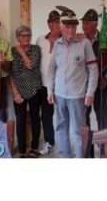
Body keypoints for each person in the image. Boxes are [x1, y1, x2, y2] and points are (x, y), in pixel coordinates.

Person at [47, 6, 98, 158]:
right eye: (67, 26)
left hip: (78, 96)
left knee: (79, 130)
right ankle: (65, 157)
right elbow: (52, 69)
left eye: (73, 26)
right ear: (61, 27)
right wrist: (50, 90)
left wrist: (90, 93)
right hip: (59, 95)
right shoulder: (57, 45)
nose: (71, 30)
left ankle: (80, 159)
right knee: (61, 128)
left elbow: (93, 70)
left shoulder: (85, 43)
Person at [9, 25, 42, 158]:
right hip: (19, 91)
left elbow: (30, 65)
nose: (26, 38)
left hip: (35, 89)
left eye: (28, 35)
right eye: (23, 35)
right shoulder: (11, 51)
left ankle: (34, 148)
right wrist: (15, 93)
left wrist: (22, 53)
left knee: (35, 119)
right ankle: (22, 151)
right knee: (20, 120)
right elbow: (10, 73)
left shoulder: (36, 49)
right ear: (17, 37)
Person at [80, 9, 107, 132]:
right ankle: (88, 147)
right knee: (84, 116)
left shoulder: (105, 40)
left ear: (96, 24)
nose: (84, 26)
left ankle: (103, 147)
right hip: (83, 84)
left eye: (87, 23)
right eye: (83, 23)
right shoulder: (80, 40)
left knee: (102, 115)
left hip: (101, 84)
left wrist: (106, 78)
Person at [35, 10, 60, 155]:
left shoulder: (67, 39)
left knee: (64, 116)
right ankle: (49, 142)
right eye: (53, 22)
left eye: (58, 22)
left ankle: (64, 142)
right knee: (46, 115)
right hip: (44, 85)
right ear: (48, 24)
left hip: (62, 86)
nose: (55, 24)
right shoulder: (40, 40)